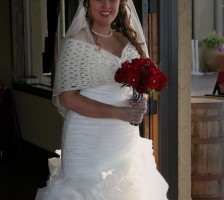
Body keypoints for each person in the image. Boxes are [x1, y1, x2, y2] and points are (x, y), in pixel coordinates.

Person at [35, 0, 169, 199]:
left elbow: (141, 86)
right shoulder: (76, 42)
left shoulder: (129, 41)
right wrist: (119, 113)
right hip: (87, 137)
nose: (106, 5)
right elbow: (67, 98)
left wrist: (140, 99)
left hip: (123, 138)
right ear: (88, 3)